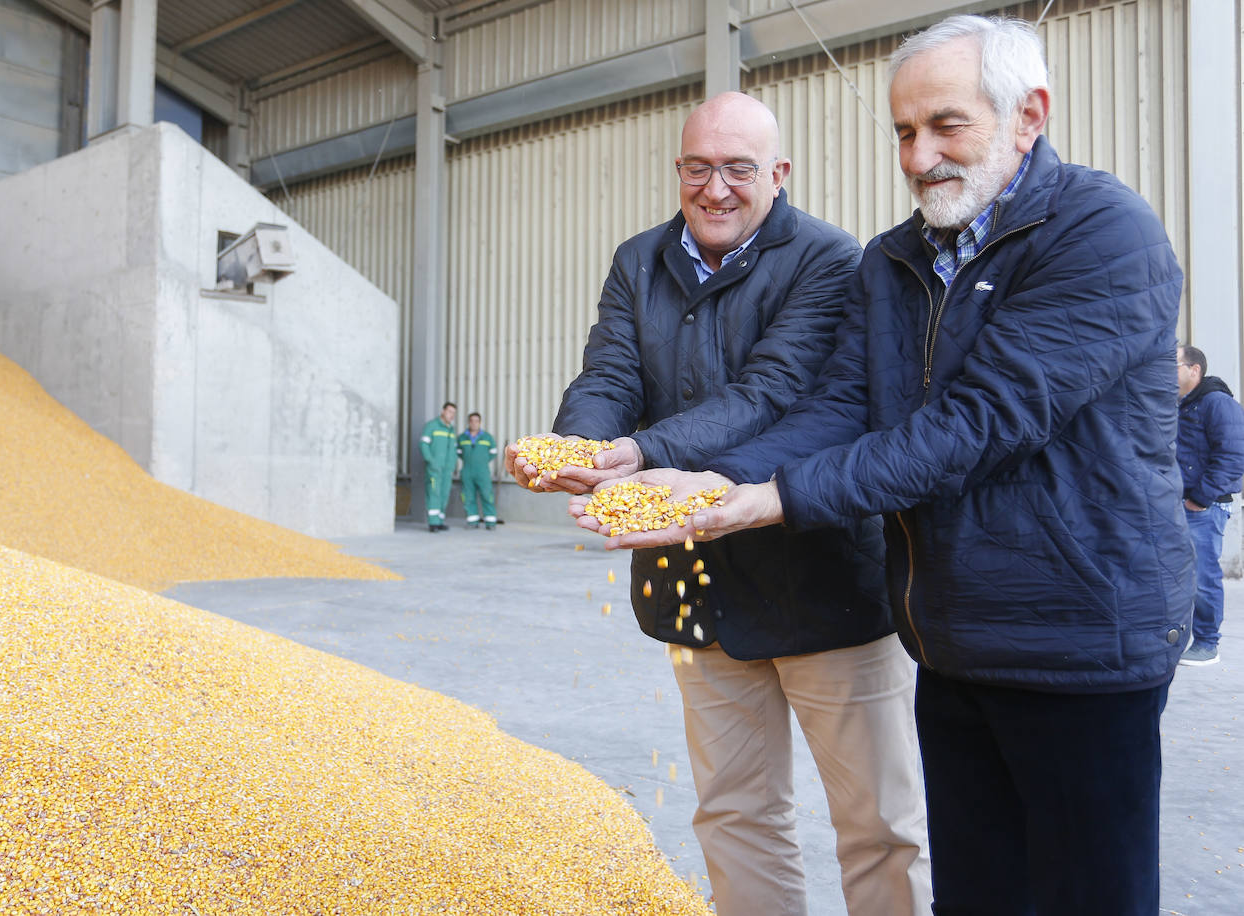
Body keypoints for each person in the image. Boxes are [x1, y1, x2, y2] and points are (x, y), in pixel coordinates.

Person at [577, 17, 1192, 915]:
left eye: (949, 125)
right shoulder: (895, 259)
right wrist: (721, 484)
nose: (921, 155)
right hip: (951, 636)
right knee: (976, 893)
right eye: (905, 132)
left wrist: (761, 501)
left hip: (1078, 635)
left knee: (1084, 890)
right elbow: (838, 406)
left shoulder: (1100, 232)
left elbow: (977, 423)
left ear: (1030, 116)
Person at [508, 91, 930, 915]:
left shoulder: (828, 260)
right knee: (735, 810)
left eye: (739, 168)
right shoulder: (641, 259)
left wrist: (642, 453)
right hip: (697, 579)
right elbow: (610, 372)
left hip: (823, 576)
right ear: (678, 171)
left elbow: (774, 391)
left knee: (878, 820)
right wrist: (585, 444)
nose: (717, 188)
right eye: (698, 168)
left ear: (778, 174)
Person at [1175, 344, 1244, 666]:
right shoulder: (1180, 405)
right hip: (1174, 504)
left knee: (1203, 577)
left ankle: (1206, 643)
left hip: (1203, 507)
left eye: (1172, 365)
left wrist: (1199, 499)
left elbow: (1233, 457)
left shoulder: (1216, 403)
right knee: (1174, 578)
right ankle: (1176, 640)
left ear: (1194, 370)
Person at [419, 402, 458, 532]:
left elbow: (453, 450)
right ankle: (433, 523)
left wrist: (452, 465)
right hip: (434, 468)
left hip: (447, 469)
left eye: (453, 413)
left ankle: (440, 520)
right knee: (434, 493)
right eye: (449, 411)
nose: (451, 415)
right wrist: (431, 461)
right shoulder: (432, 426)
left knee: (444, 493)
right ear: (442, 411)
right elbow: (423, 444)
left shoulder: (451, 430)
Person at [457, 412, 499, 529]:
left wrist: (481, 461)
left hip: (483, 472)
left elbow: (493, 453)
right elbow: (459, 453)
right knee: (468, 496)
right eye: (471, 421)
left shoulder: (487, 437)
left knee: (487, 495)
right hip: (467, 471)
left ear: (480, 423)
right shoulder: (462, 438)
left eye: (476, 421)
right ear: (468, 422)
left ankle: (490, 522)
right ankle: (472, 521)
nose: (474, 423)